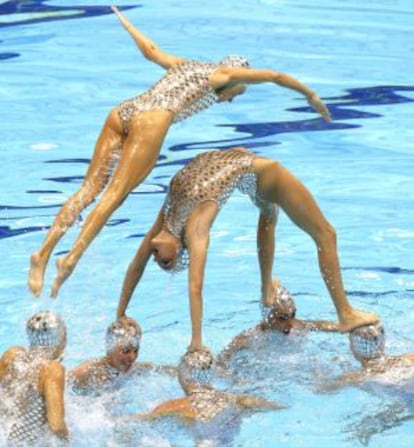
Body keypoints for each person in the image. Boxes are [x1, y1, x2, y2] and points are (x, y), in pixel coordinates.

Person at [28, 5, 332, 299]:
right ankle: (69, 261)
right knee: (113, 197)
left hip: (125, 110)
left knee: (88, 189)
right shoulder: (224, 75)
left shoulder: (186, 66)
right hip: (152, 120)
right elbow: (276, 76)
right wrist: (312, 96)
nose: (228, 100)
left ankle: (42, 254)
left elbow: (151, 51)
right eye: (235, 95)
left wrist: (123, 19)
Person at [116, 147, 378, 351]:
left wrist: (196, 340)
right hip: (248, 172)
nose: (158, 259)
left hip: (267, 173)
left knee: (325, 234)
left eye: (165, 263)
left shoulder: (190, 228)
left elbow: (195, 286)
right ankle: (266, 289)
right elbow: (136, 266)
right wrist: (121, 312)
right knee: (269, 216)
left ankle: (344, 312)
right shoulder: (168, 219)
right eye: (165, 262)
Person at [119, 349, 283, 424]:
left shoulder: (175, 407)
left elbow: (136, 422)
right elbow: (278, 408)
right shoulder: (239, 401)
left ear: (183, 377)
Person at [216, 280, 340, 367]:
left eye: (293, 315)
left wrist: (348, 326)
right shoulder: (248, 338)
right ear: (267, 318)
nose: (291, 323)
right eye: (282, 318)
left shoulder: (298, 326)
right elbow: (221, 361)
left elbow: (323, 325)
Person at [0, 311, 69, 444]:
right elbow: (56, 425)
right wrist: (69, 440)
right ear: (60, 340)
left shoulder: (11, 355)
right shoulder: (53, 370)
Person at [69, 316, 175, 394]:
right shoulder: (86, 372)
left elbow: (167, 370)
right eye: (125, 351)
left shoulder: (134, 370)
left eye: (136, 351)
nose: (132, 357)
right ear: (109, 350)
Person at [322, 323, 414, 391]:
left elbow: (322, 390)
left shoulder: (358, 377)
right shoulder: (409, 358)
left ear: (353, 348)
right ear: (382, 344)